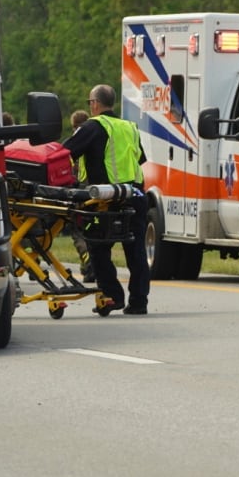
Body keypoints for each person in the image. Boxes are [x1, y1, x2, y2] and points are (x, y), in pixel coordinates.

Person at [62, 84, 151, 316]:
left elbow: (66, 151)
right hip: (135, 195)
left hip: (105, 199)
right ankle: (139, 302)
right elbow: (140, 158)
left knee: (98, 247)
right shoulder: (130, 127)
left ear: (94, 103)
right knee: (136, 250)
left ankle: (112, 296)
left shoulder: (92, 126)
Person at [67, 108, 95, 283]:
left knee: (78, 233)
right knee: (93, 232)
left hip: (78, 193)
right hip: (95, 192)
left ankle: (88, 264)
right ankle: (90, 265)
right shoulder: (94, 138)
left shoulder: (72, 143)